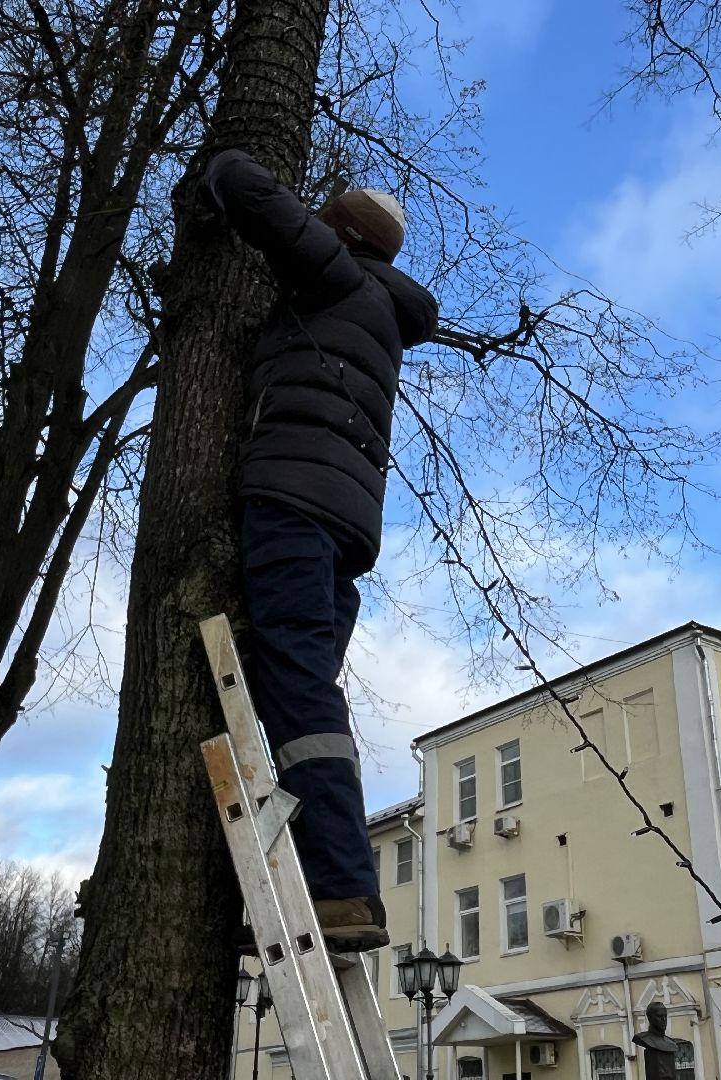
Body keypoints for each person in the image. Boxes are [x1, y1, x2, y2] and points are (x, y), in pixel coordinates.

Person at [198, 148, 439, 951]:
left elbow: (238, 178)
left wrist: (218, 173)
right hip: (344, 520)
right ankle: (303, 881)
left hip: (295, 501)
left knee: (298, 688)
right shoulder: (382, 314)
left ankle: (338, 888)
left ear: (339, 231)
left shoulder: (338, 278)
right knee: (296, 693)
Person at [631, 1001, 680, 1080]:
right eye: (659, 1016)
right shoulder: (644, 1039)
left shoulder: (671, 1043)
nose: (664, 1019)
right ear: (650, 1018)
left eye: (665, 1016)